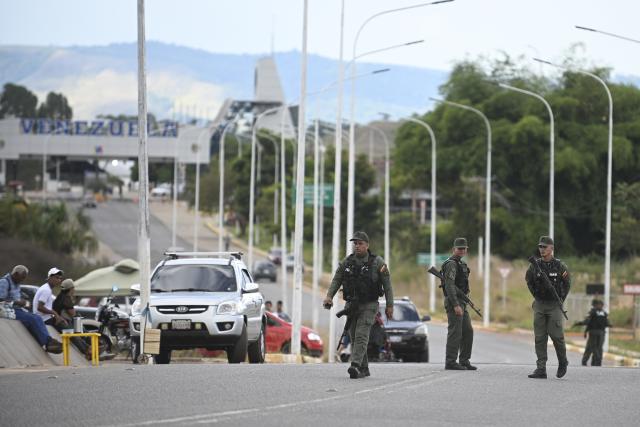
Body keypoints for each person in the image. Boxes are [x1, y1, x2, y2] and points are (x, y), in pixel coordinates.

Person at [323, 231, 394, 379]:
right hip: (352, 305)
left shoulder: (378, 262)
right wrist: (329, 297)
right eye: (355, 243)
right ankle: (364, 368)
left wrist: (390, 305)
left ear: (367, 245)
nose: (357, 246)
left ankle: (354, 365)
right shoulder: (347, 262)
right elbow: (337, 279)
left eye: (360, 243)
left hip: (369, 305)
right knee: (354, 337)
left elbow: (387, 286)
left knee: (362, 335)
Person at [526, 236, 571, 379]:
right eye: (540, 247)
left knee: (557, 336)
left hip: (554, 305)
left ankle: (563, 362)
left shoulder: (560, 266)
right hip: (539, 304)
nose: (542, 249)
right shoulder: (534, 265)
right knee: (540, 337)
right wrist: (537, 296)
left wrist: (560, 299)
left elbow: (567, 283)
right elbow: (529, 281)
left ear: (551, 248)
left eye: (545, 247)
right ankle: (541, 368)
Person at [0, 265, 62, 353]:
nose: (22, 280)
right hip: (7, 309)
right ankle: (48, 343)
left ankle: (48, 341)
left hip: (17, 309)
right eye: (22, 277)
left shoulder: (16, 282)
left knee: (37, 318)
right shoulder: (4, 282)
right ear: (16, 274)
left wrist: (25, 303)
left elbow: (17, 297)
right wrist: (17, 302)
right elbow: (1, 299)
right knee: (32, 319)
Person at [442, 237, 476, 371]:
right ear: (454, 249)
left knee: (467, 330)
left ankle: (464, 360)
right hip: (454, 301)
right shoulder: (451, 264)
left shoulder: (460, 263)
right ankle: (450, 361)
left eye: (464, 248)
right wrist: (456, 304)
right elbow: (449, 286)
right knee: (455, 332)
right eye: (459, 248)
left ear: (466, 250)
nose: (462, 250)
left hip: (462, 301)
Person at [575, 299, 611, 366]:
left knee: (591, 347)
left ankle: (586, 361)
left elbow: (587, 322)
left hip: (593, 332)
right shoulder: (604, 313)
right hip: (601, 333)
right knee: (599, 348)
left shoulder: (592, 312)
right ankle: (597, 362)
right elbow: (607, 323)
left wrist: (579, 324)